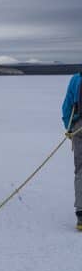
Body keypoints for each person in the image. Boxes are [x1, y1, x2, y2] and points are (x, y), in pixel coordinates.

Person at [62, 71, 82, 230]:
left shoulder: (76, 79)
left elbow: (67, 106)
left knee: (81, 170)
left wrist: (69, 128)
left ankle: (81, 213)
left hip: (78, 127)